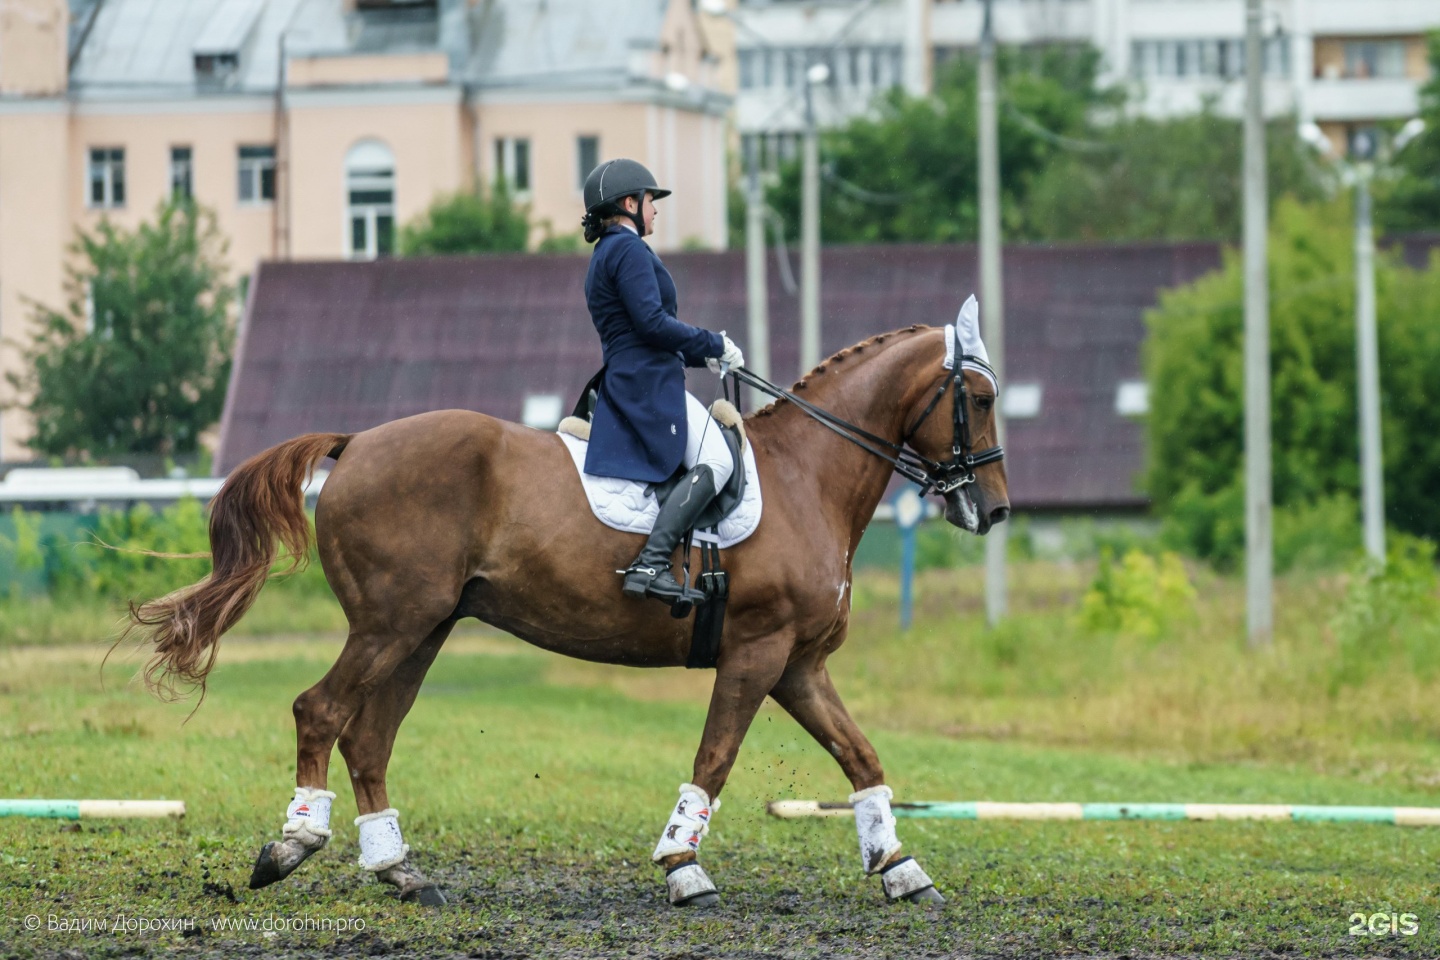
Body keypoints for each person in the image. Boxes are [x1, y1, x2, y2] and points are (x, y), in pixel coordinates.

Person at [579, 158, 744, 607]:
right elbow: (653, 324)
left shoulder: (604, 254)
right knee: (719, 460)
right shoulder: (628, 250)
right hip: (645, 385)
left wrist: (700, 355)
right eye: (651, 201)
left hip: (633, 376)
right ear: (630, 203)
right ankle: (651, 562)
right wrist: (713, 343)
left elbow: (642, 330)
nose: (655, 211)